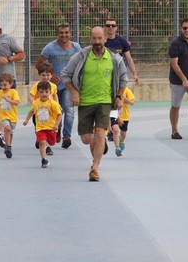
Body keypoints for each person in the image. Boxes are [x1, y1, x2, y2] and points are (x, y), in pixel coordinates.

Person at [62, 26, 128, 182]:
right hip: (85, 102)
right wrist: (74, 92)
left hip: (105, 102)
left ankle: (95, 168)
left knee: (100, 133)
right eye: (94, 38)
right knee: (86, 138)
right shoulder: (81, 56)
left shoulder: (114, 58)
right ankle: (98, 143)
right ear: (90, 39)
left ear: (105, 38)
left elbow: (124, 77)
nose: (97, 42)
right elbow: (65, 74)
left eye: (100, 38)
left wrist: (119, 96)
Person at [36, 23, 81, 149]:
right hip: (53, 87)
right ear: (57, 34)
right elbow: (39, 65)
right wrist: (50, 74)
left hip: (69, 85)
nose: (64, 35)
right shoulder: (49, 48)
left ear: (70, 33)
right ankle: (57, 130)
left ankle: (67, 136)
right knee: (56, 110)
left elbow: (81, 64)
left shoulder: (76, 47)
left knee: (69, 109)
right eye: (61, 33)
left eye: (66, 32)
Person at [23, 81, 62, 168]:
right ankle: (44, 160)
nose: (44, 94)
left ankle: (49, 142)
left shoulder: (53, 103)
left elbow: (59, 114)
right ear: (38, 93)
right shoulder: (36, 103)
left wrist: (56, 125)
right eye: (41, 92)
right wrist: (26, 120)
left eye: (46, 92)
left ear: (50, 92)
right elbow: (32, 111)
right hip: (40, 127)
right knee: (41, 142)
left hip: (51, 127)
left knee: (52, 142)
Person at [26, 62, 58, 156]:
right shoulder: (37, 85)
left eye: (48, 75)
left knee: (49, 128)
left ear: (51, 75)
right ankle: (42, 141)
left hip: (50, 112)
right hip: (39, 112)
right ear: (39, 75)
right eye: (43, 75)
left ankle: (46, 143)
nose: (46, 77)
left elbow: (55, 95)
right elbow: (31, 95)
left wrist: (57, 104)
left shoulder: (53, 86)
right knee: (39, 127)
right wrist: (34, 105)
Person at [104, 18, 140, 85]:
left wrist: (135, 75)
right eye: (108, 25)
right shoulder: (101, 42)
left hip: (118, 72)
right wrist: (103, 42)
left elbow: (129, 59)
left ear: (116, 28)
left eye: (113, 25)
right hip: (105, 72)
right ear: (105, 28)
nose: (111, 27)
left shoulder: (122, 41)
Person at [111, 86, 135, 157]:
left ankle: (121, 140)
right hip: (114, 114)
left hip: (124, 116)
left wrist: (124, 99)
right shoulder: (113, 89)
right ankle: (117, 147)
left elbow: (132, 103)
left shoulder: (127, 90)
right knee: (115, 130)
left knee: (123, 133)